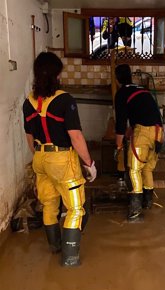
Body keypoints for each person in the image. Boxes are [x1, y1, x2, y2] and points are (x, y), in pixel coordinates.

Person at [23, 52, 97, 267]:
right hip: (62, 160)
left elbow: (29, 136)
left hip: (39, 157)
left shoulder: (28, 102)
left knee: (49, 203)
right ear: (57, 74)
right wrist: (89, 163)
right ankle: (70, 259)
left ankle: (55, 248)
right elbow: (75, 136)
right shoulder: (64, 99)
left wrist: (39, 156)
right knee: (75, 209)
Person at [114, 64, 163, 221]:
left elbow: (121, 124)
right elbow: (136, 120)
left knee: (134, 170)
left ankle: (135, 212)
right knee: (147, 168)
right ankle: (148, 202)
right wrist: (129, 135)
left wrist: (118, 146)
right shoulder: (141, 90)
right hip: (158, 132)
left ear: (116, 79)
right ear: (131, 76)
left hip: (143, 132)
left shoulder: (121, 93)